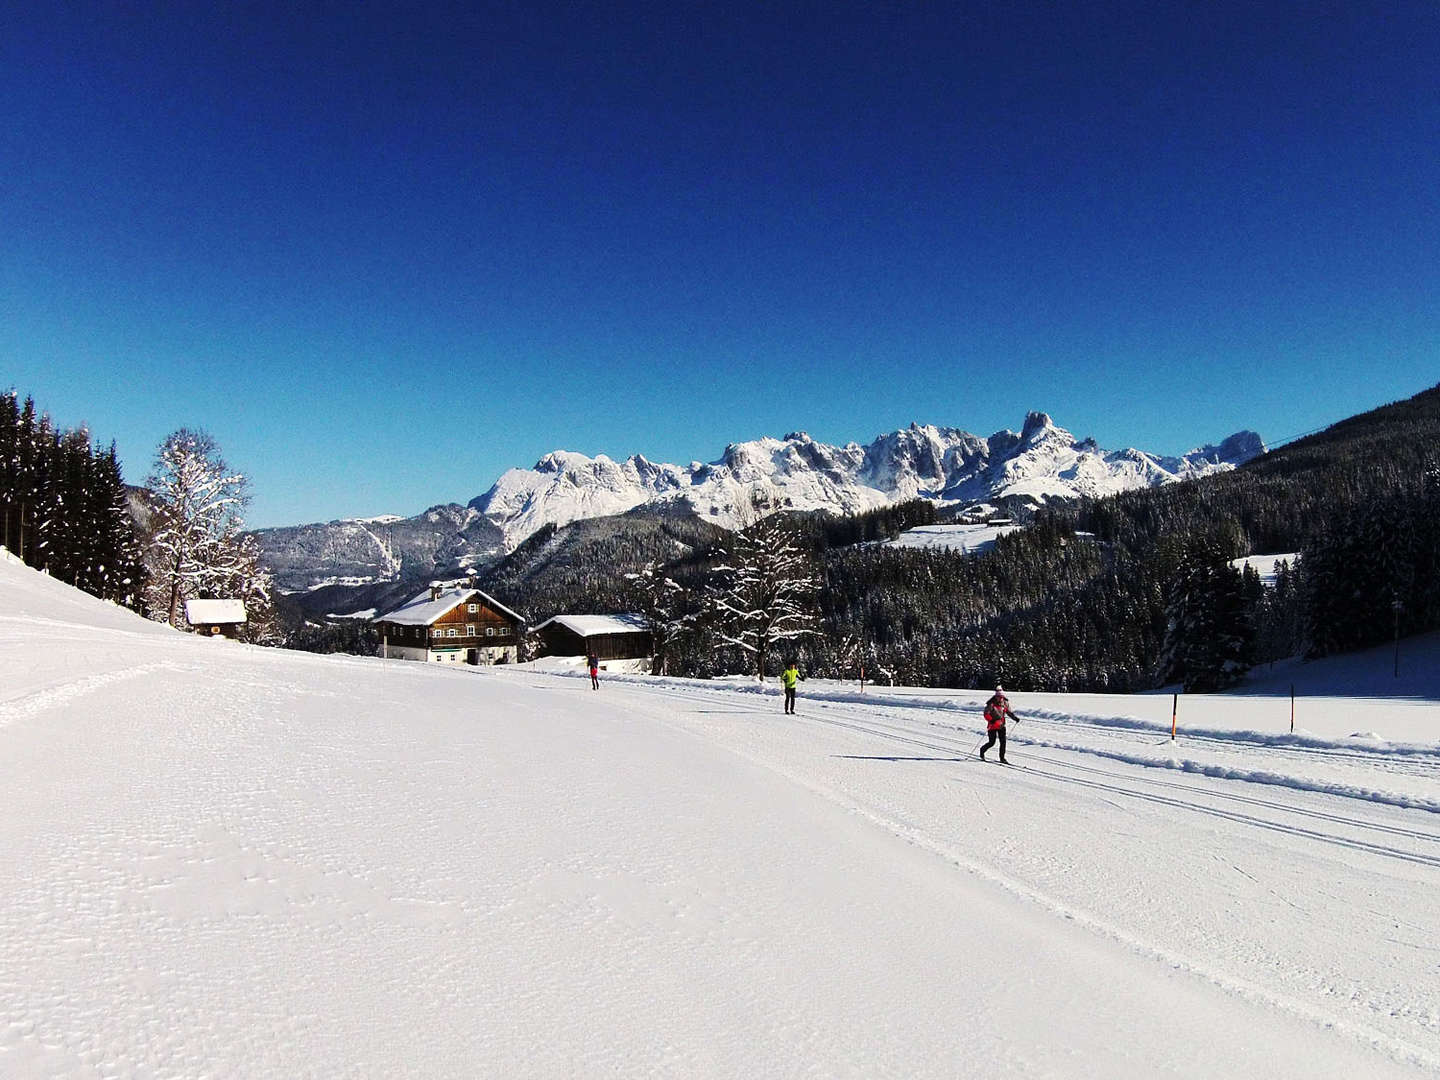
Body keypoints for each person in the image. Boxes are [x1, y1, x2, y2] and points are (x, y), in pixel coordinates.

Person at [980, 684, 1019, 763]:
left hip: (1001, 725)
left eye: (1001, 697)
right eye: (998, 697)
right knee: (992, 742)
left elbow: (1009, 712)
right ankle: (982, 750)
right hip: (992, 725)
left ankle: (1002, 758)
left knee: (1003, 742)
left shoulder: (1005, 703)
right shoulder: (991, 704)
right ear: (995, 696)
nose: (1000, 698)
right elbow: (986, 714)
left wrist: (1015, 718)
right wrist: (991, 720)